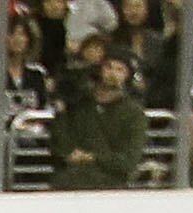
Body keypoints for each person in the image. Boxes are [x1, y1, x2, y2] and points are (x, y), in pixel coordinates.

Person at [52, 47, 148, 181]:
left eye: (120, 69)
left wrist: (93, 158)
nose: (113, 73)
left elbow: (129, 159)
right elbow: (60, 144)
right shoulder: (78, 104)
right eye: (108, 67)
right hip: (70, 180)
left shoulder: (134, 113)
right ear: (100, 69)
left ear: (128, 76)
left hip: (112, 185)